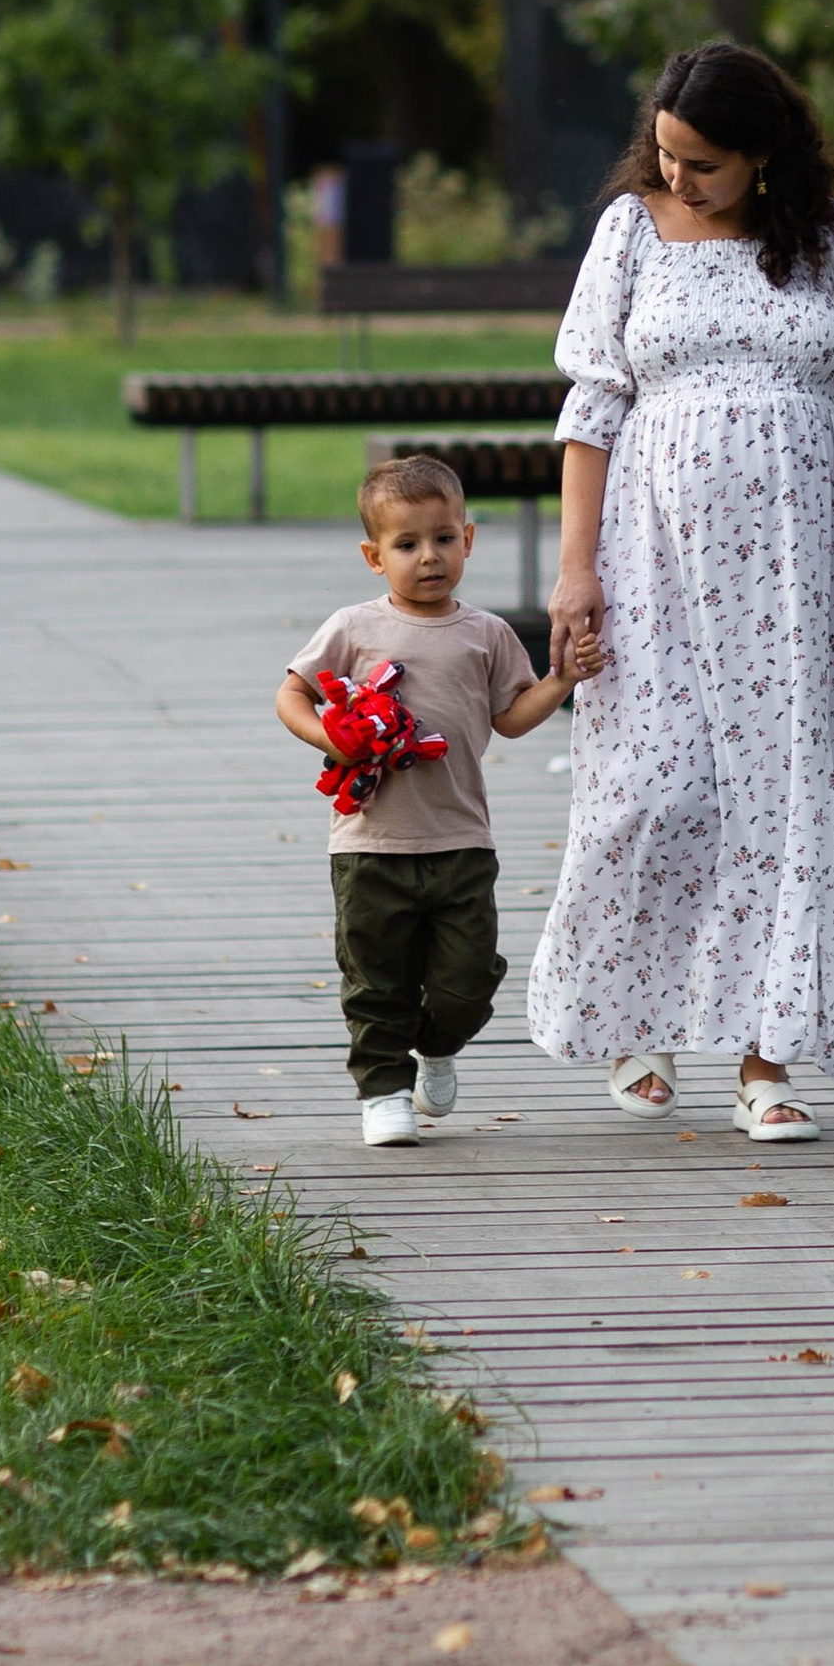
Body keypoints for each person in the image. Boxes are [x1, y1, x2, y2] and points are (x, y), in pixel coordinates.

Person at [530, 40, 834, 1142]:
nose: (679, 177)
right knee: (656, 786)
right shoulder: (629, 231)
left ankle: (766, 1063)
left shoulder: (833, 239)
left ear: (763, 156)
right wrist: (574, 573)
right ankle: (638, 1011)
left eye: (704, 162)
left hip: (806, 562)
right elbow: (590, 407)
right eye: (666, 154)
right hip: (653, 554)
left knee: (795, 797)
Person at [277, 454, 576, 1148]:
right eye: (406, 544)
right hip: (370, 845)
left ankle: (438, 1045)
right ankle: (384, 1091)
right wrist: (332, 736)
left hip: (462, 842)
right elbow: (291, 691)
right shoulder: (353, 628)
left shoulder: (487, 634)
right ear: (373, 556)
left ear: (467, 540)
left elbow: (511, 716)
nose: (428, 557)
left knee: (466, 982)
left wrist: (561, 680)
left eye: (443, 538)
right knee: (374, 978)